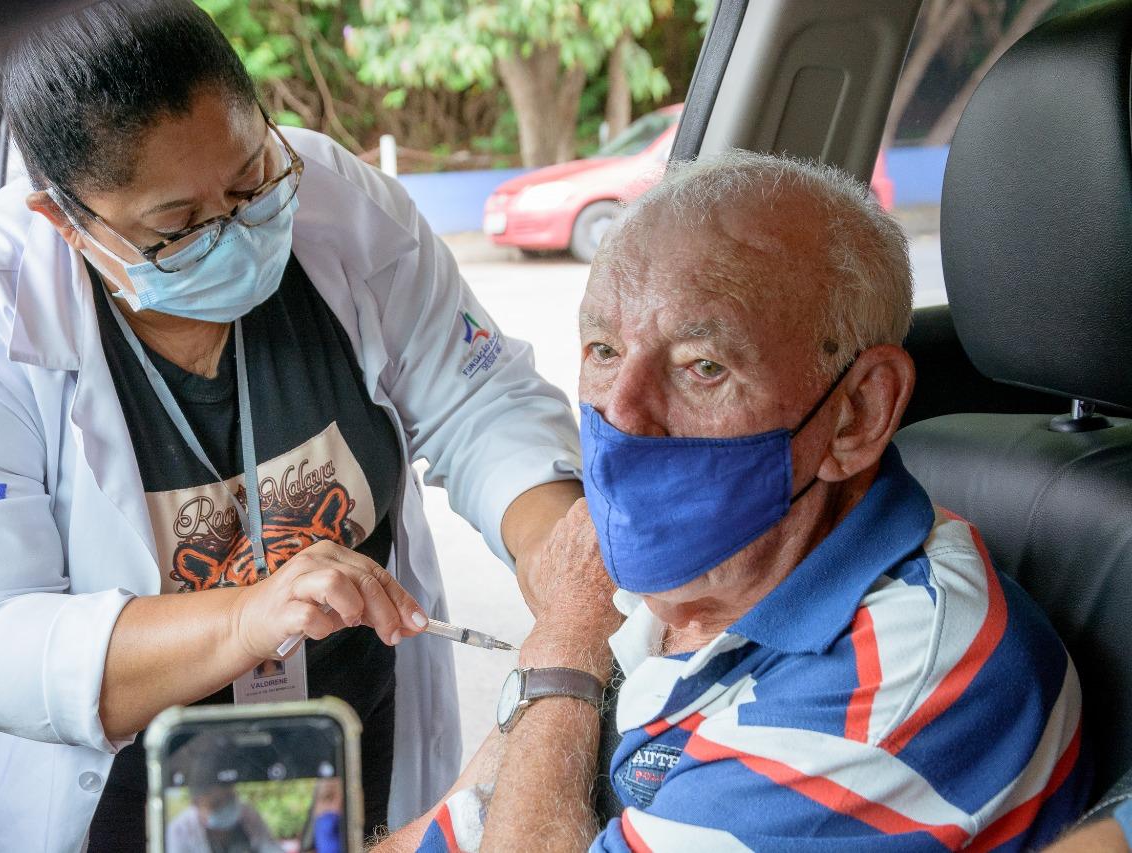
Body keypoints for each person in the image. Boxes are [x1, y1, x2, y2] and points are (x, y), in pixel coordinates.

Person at [0, 2, 592, 849]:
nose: (238, 229)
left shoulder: (340, 210)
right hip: (108, 799)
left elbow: (483, 401)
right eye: (176, 229)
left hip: (349, 746)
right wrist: (248, 617)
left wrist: (571, 577)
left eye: (252, 179)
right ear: (64, 219)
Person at [379, 152, 1091, 851]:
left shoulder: (895, 677)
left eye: (703, 367)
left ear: (857, 414)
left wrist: (565, 642)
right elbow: (468, 819)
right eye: (603, 350)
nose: (623, 414)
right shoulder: (697, 579)